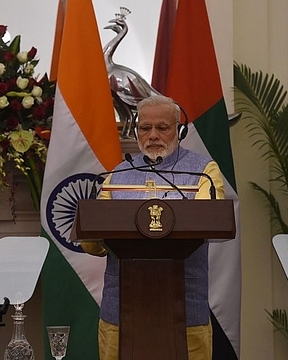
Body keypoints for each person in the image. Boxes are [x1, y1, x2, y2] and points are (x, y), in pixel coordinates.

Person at [84, 95, 225, 360]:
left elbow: (209, 220)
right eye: (145, 128)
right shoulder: (118, 175)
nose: (153, 135)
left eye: (162, 127)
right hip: (122, 313)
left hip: (185, 311)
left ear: (179, 131)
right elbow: (92, 244)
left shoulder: (204, 172)